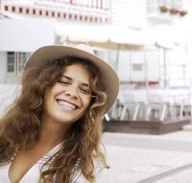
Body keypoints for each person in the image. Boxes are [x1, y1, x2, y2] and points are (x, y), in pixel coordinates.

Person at [0, 44, 119, 182]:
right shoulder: (5, 133)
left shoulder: (88, 165)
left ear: (91, 105)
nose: (72, 93)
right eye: (63, 82)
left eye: (84, 90)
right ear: (43, 86)